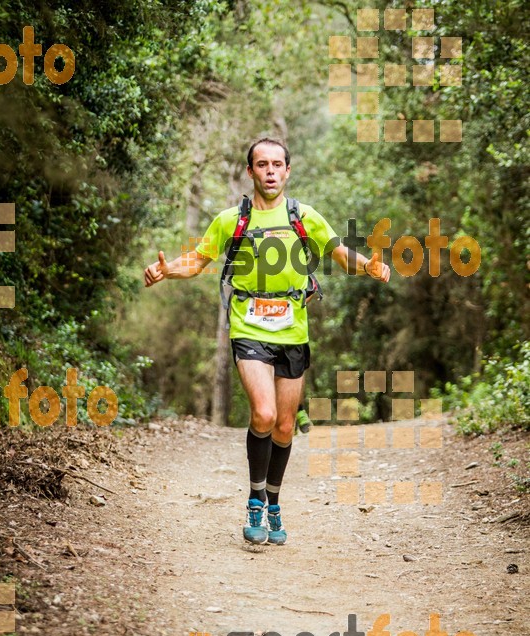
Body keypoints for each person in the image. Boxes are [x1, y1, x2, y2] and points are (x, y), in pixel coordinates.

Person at [144, 138, 390, 546]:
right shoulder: (231, 221)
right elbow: (198, 259)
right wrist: (167, 269)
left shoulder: (303, 217)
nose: (270, 171)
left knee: (285, 425)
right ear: (251, 172)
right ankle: (255, 498)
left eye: (277, 164)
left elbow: (339, 253)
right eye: (262, 164)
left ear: (288, 171)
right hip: (248, 327)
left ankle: (274, 503)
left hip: (293, 330)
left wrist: (368, 266)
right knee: (263, 413)